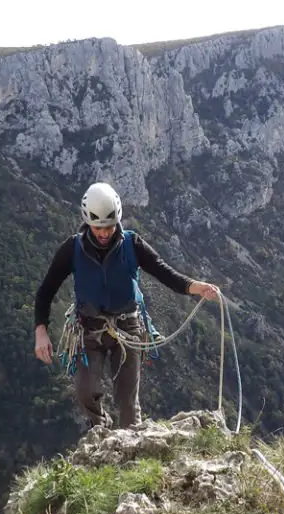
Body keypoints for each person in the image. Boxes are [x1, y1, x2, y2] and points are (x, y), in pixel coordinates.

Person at [34, 182, 220, 428]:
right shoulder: (72, 249)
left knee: (127, 401)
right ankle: (100, 435)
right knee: (85, 391)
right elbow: (46, 290)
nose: (103, 233)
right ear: (87, 222)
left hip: (128, 327)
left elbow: (163, 271)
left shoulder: (133, 244)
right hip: (88, 328)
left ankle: (131, 444)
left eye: (109, 227)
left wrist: (195, 287)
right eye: (98, 227)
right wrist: (41, 332)